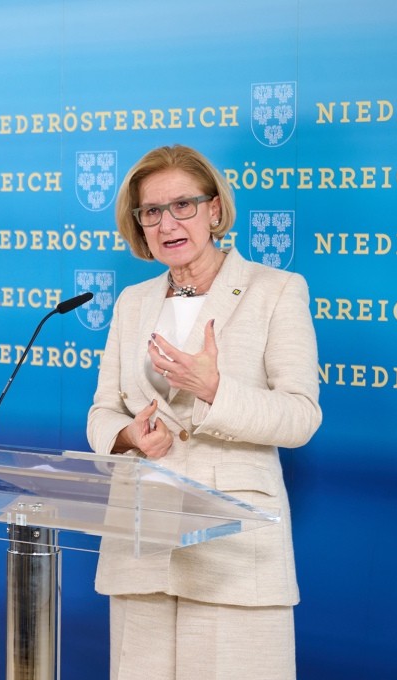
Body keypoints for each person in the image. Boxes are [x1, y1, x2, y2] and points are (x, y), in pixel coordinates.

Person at [86, 144, 321, 680]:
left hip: (233, 551)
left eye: (183, 205)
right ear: (139, 224)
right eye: (152, 212)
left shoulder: (275, 291)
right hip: (141, 546)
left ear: (214, 210)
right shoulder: (132, 302)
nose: (167, 223)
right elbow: (102, 411)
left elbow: (301, 416)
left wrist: (216, 391)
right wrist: (127, 436)